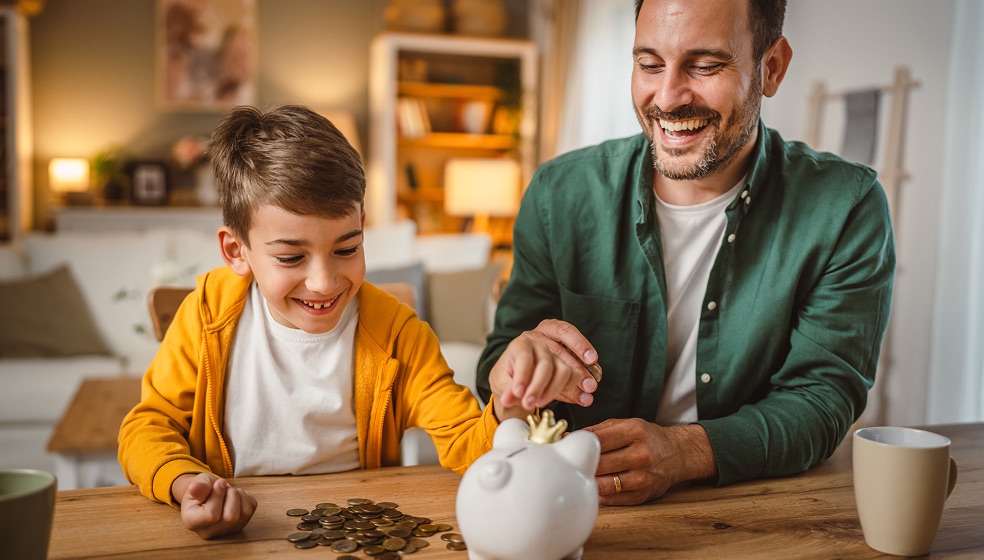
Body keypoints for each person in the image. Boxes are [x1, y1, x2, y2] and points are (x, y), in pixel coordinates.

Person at [477, 0, 895, 506]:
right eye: (649, 64)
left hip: (751, 507)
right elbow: (499, 367)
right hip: (572, 505)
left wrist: (684, 452)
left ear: (772, 68)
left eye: (705, 65)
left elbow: (823, 400)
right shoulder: (558, 193)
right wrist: (513, 379)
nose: (668, 98)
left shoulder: (846, 208)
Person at [118, 105, 590, 539]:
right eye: (291, 257)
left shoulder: (398, 334)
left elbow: (469, 441)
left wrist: (509, 405)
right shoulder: (206, 314)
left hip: (355, 532)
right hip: (239, 537)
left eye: (347, 248)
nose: (323, 282)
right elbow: (147, 427)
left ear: (362, 225)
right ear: (235, 251)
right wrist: (188, 484)